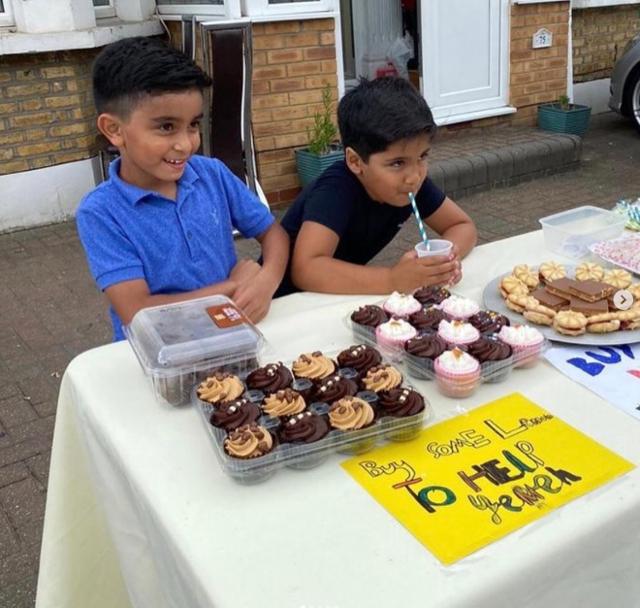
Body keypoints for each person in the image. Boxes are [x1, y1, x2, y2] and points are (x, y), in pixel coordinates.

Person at [76, 37, 289, 341]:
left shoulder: (211, 174)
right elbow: (138, 312)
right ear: (114, 130)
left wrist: (266, 280)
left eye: (193, 125)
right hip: (159, 354)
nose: (186, 143)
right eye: (166, 127)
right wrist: (229, 288)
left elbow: (274, 234)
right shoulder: (101, 212)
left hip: (230, 336)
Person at [277, 76, 477, 297]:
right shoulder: (335, 190)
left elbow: (462, 226)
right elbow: (306, 269)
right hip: (283, 304)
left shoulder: (409, 184)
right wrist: (392, 279)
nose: (414, 176)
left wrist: (443, 262)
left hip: (336, 299)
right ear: (355, 162)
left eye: (422, 156)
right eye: (397, 163)